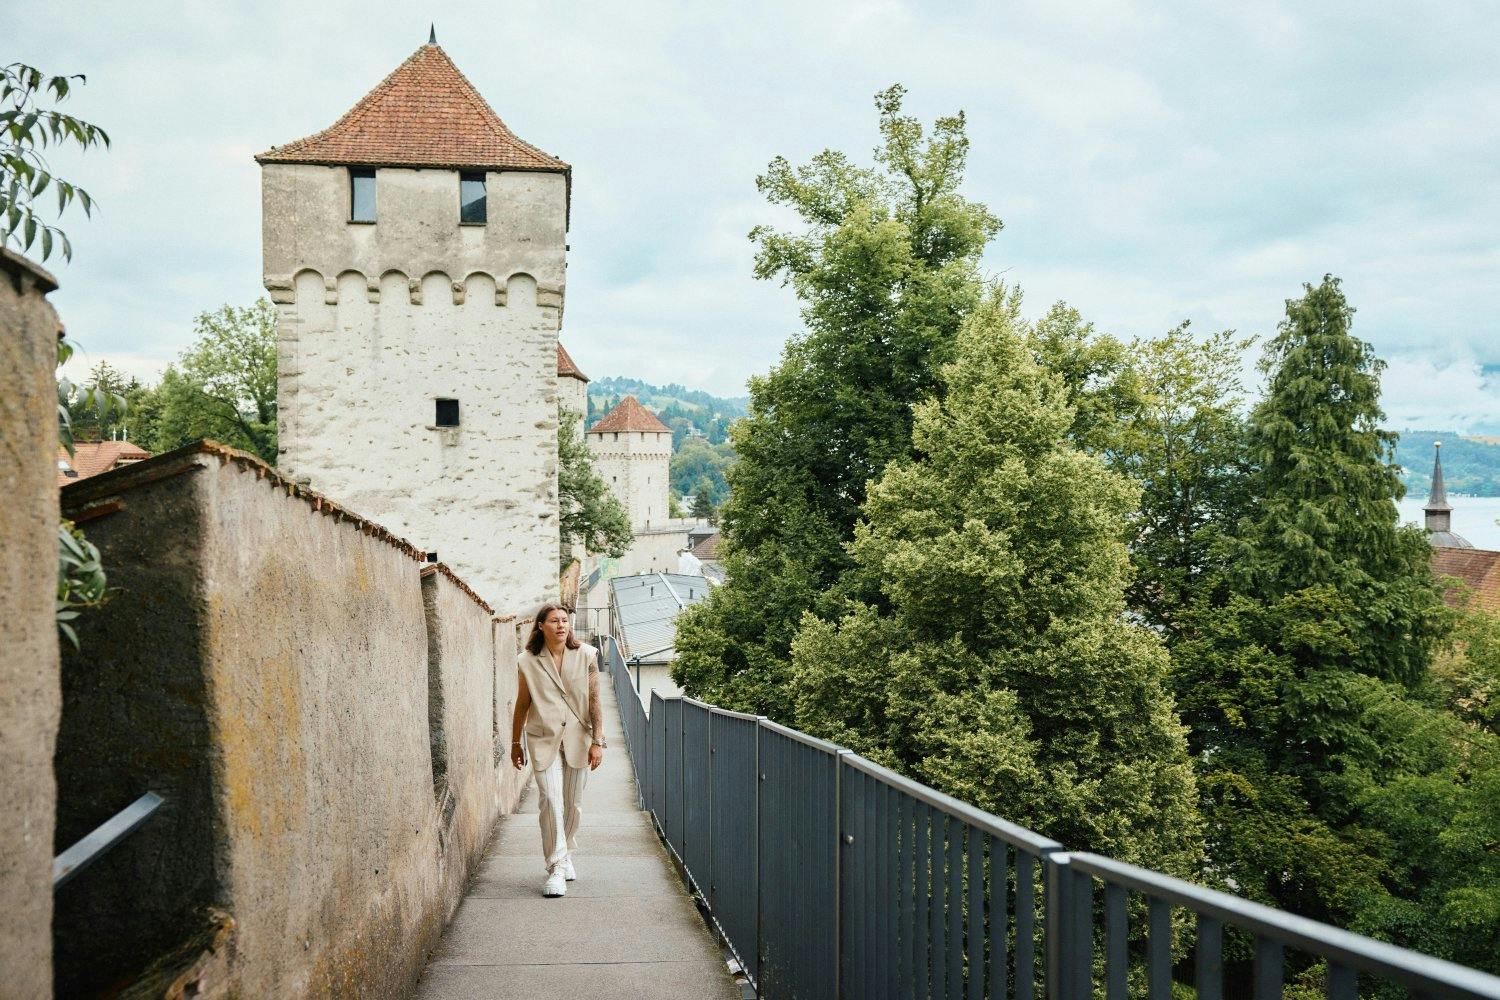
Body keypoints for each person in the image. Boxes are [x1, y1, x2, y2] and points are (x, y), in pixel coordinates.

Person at [510, 603, 605, 898]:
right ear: (541, 626)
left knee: (572, 803)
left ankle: (565, 854)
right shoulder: (527, 661)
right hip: (543, 738)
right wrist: (515, 743)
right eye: (554, 621)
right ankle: (556, 868)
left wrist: (598, 742)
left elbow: (595, 701)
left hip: (579, 738)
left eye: (565, 620)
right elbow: (522, 704)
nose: (561, 625)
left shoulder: (587, 655)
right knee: (550, 801)